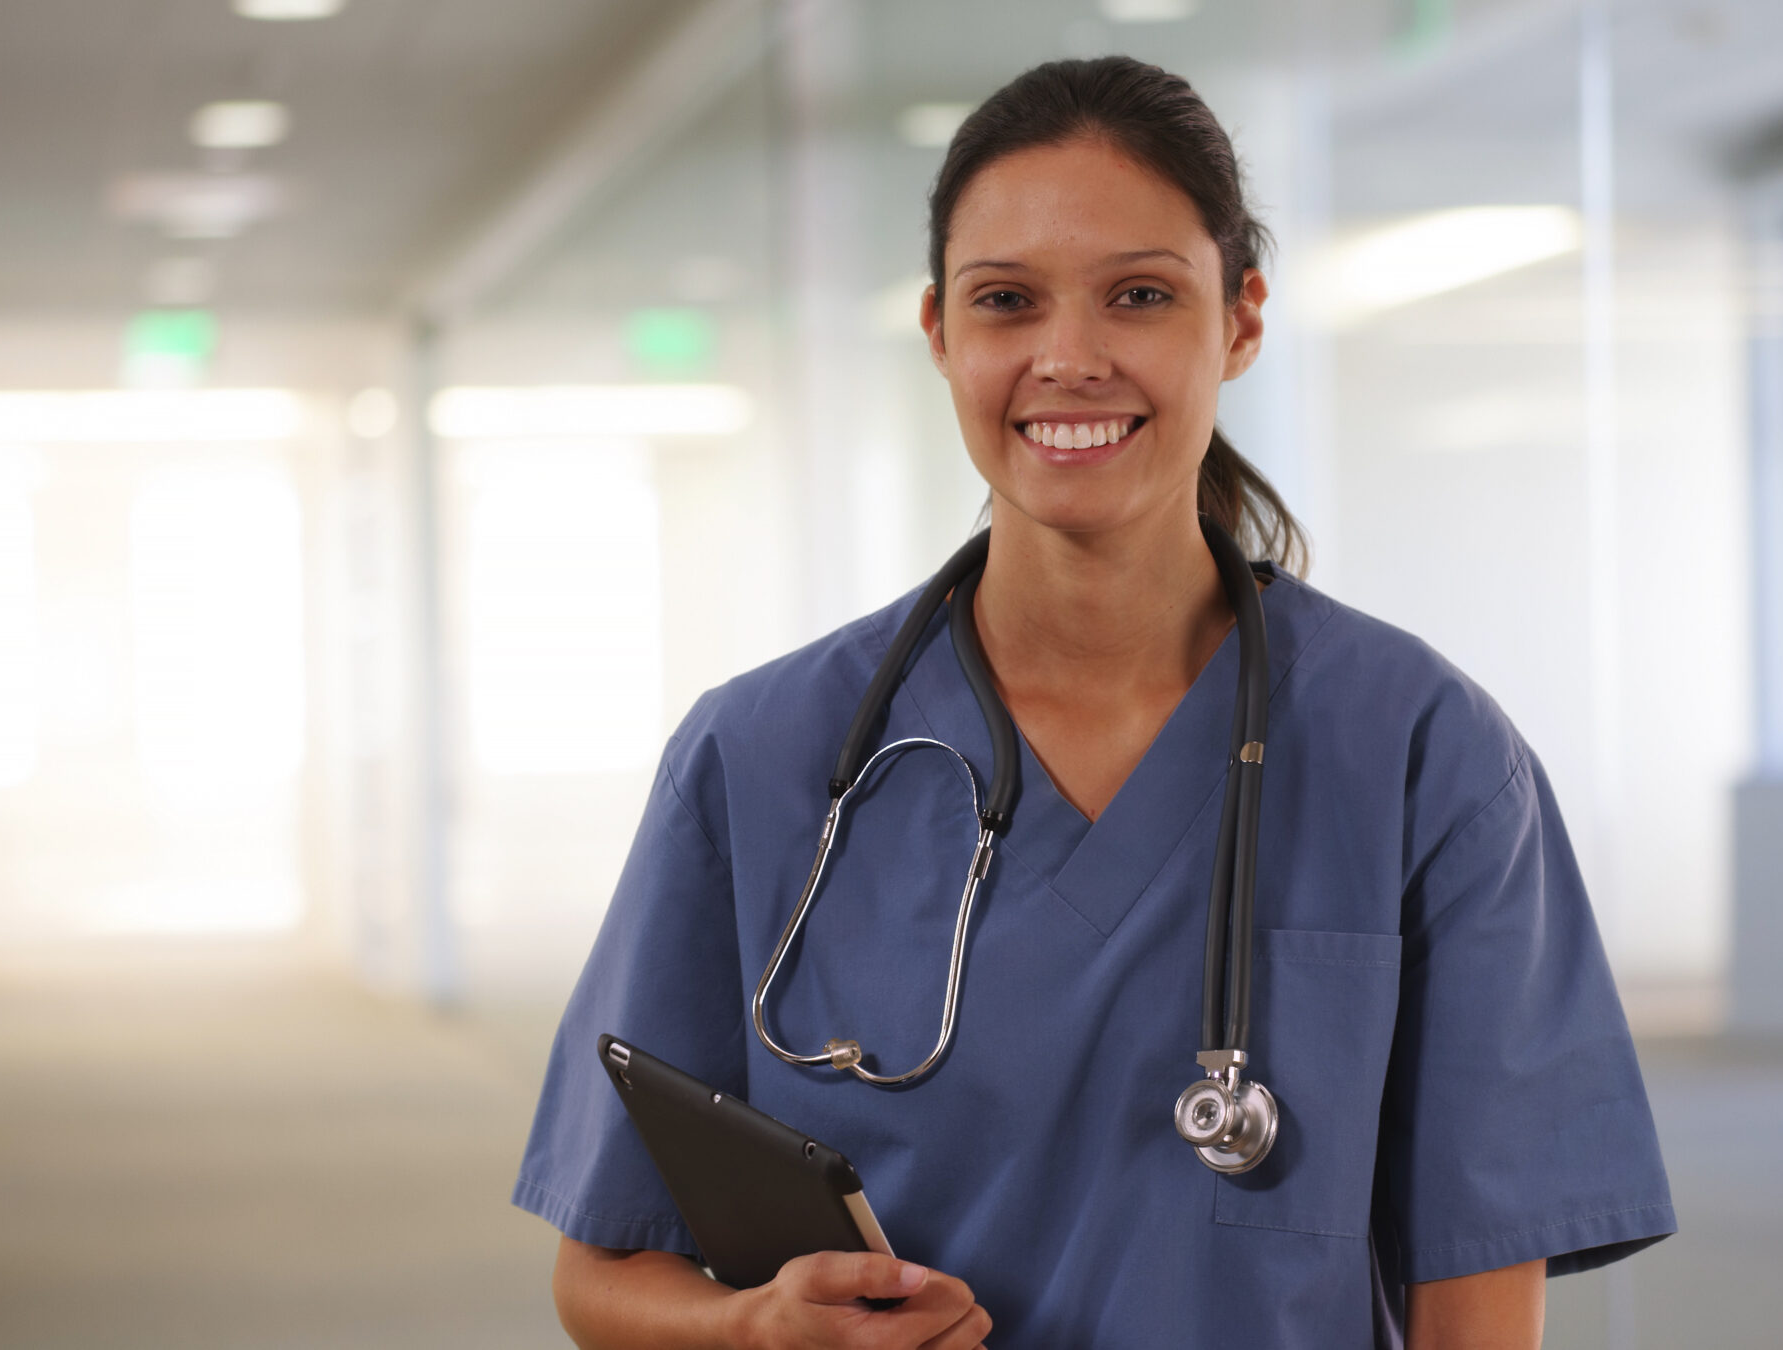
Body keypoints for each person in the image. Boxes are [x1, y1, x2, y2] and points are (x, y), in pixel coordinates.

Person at [513, 55, 1673, 1349]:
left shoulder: (1420, 752)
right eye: (1007, 301)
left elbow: (1479, 1298)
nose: (1069, 358)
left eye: (1139, 295)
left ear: (1238, 322)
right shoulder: (760, 756)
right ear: (941, 333)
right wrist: (758, 1329)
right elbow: (600, 1273)